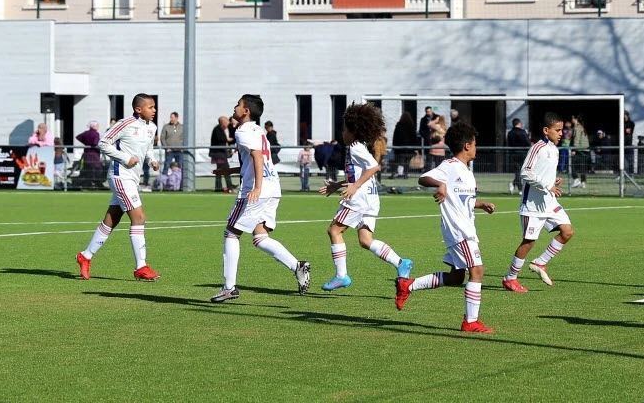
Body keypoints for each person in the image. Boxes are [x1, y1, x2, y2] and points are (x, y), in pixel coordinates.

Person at [394, 121, 498, 333]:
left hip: (465, 228)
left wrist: (480, 204)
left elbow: (461, 199)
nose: (476, 147)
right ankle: (470, 321)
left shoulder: (467, 172)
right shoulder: (450, 167)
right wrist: (439, 184)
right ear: (467, 145)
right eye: (475, 143)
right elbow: (423, 178)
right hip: (460, 231)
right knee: (477, 271)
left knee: (456, 277)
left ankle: (408, 285)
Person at [212, 94, 312, 303]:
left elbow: (257, 157)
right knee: (260, 238)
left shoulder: (242, 131)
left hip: (258, 189)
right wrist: (229, 170)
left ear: (246, 110)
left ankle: (229, 287)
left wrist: (256, 187)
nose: (235, 107)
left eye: (238, 104)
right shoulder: (259, 131)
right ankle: (297, 266)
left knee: (231, 233)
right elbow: (257, 160)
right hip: (273, 187)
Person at [318, 103, 413, 291]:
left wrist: (354, 186)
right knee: (365, 240)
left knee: (334, 231)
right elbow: (359, 173)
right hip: (370, 198)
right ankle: (401, 262)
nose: (342, 133)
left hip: (359, 199)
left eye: (344, 129)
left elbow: (373, 167)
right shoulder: (357, 146)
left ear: (353, 131)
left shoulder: (355, 147)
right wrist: (338, 185)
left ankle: (341, 276)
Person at [75, 94, 162, 281]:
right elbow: (103, 143)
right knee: (139, 217)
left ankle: (85, 256)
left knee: (111, 220)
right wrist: (124, 158)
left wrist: (152, 160)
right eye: (150, 107)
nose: (154, 110)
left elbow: (148, 149)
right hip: (120, 176)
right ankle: (141, 267)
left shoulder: (152, 127)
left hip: (132, 178)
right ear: (138, 109)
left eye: (154, 107)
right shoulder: (126, 123)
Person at [503, 113, 575, 293]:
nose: (561, 134)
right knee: (528, 242)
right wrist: (547, 185)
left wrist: (553, 181)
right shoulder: (538, 148)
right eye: (557, 130)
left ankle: (540, 262)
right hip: (532, 206)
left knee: (567, 231)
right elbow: (525, 173)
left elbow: (542, 173)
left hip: (549, 203)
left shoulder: (555, 149)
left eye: (562, 130)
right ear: (546, 130)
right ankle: (510, 278)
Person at [209, 115, 235, 193]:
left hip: (220, 154)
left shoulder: (220, 129)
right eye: (227, 122)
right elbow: (222, 140)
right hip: (219, 154)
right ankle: (229, 187)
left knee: (219, 171)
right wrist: (229, 140)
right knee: (225, 169)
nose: (228, 123)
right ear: (223, 122)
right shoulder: (217, 130)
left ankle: (218, 187)